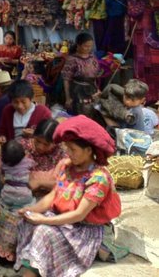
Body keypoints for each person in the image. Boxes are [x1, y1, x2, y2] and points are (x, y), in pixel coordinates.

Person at [15, 115, 121, 277]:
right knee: (27, 222)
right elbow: (53, 195)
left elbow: (79, 215)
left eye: (73, 150)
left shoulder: (99, 177)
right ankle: (32, 269)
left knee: (43, 231)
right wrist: (31, 209)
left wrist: (43, 219)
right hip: (63, 220)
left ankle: (32, 273)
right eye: (67, 148)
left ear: (88, 150)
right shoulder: (68, 167)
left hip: (84, 229)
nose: (68, 153)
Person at [0, 119, 64, 271]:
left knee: (22, 219)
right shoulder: (22, 145)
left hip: (38, 201)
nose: (41, 147)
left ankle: (14, 256)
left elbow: (64, 183)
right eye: (38, 141)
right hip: (9, 197)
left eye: (46, 144)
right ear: (33, 137)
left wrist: (41, 183)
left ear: (55, 143)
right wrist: (2, 175)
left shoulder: (61, 156)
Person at [62, 32, 100, 115]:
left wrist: (97, 89)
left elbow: (94, 77)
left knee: (93, 113)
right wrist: (68, 98)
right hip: (78, 91)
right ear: (78, 45)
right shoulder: (72, 59)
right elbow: (66, 79)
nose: (88, 48)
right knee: (81, 114)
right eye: (86, 46)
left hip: (92, 90)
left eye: (90, 46)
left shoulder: (92, 57)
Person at [0, 140, 35, 209]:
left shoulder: (4, 165)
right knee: (33, 201)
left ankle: (8, 207)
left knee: (4, 201)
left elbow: (1, 174)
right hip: (25, 196)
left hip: (7, 195)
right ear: (23, 154)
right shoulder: (27, 162)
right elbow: (32, 168)